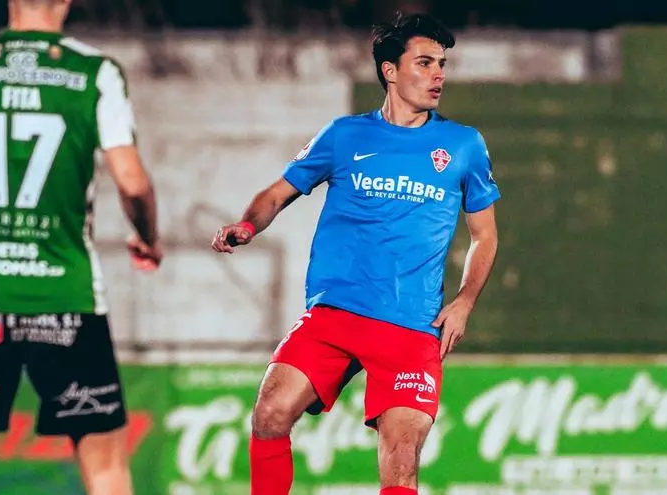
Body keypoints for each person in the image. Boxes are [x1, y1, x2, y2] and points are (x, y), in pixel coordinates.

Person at [212, 12, 500, 495]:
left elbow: (484, 236)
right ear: (390, 70)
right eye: (424, 62)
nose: (438, 75)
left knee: (402, 458)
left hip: (411, 327)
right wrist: (247, 225)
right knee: (270, 412)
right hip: (335, 315)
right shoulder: (344, 136)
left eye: (442, 64)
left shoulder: (463, 145)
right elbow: (277, 194)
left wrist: (465, 301)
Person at [0, 1, 162, 494]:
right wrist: (148, 237)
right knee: (106, 468)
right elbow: (132, 184)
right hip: (67, 300)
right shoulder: (94, 72)